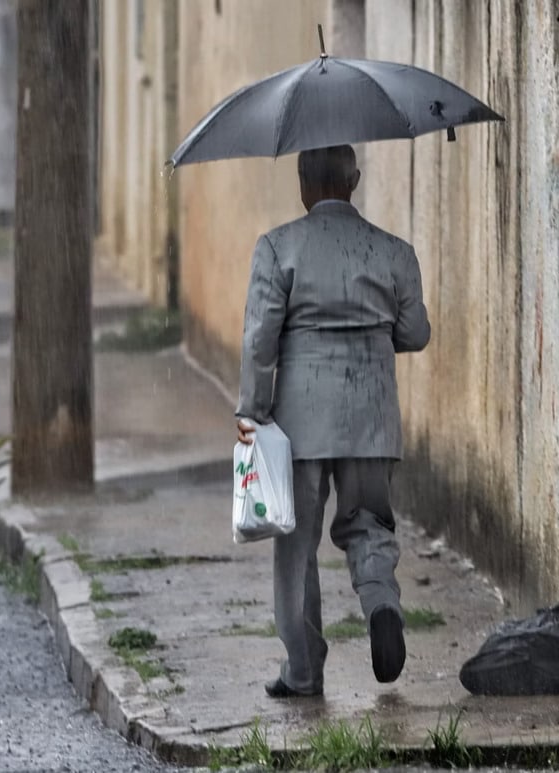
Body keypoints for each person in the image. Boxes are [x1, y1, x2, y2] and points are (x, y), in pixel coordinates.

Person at [234, 144, 431, 698]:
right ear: (356, 180)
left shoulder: (278, 248)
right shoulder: (395, 251)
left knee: (295, 544)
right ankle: (382, 605)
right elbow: (415, 333)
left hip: (298, 422)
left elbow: (259, 341)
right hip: (372, 413)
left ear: (302, 184)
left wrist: (252, 412)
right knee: (369, 523)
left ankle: (302, 670)